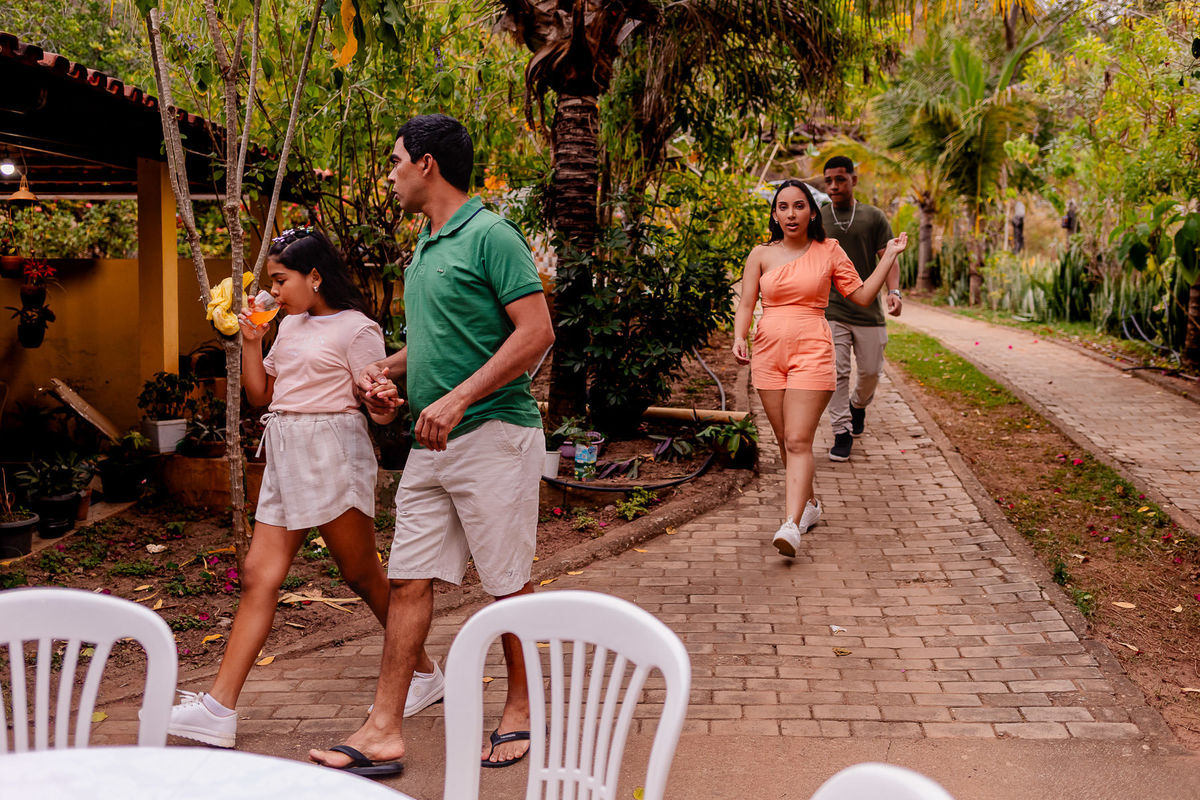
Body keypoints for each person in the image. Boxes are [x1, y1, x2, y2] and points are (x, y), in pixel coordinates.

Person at [309, 114, 555, 776]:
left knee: (507, 585)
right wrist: (385, 375)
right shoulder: (426, 246)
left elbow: (535, 332)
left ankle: (524, 710)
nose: (388, 175)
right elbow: (439, 343)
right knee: (410, 580)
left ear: (426, 165)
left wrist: (458, 397)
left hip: (494, 434)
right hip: (431, 443)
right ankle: (384, 728)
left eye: (395, 161)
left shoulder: (490, 235)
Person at [164, 229, 400, 749]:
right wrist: (252, 341)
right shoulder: (288, 326)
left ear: (315, 277)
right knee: (258, 574)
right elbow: (259, 395)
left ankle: (421, 669)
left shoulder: (359, 328)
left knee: (360, 574)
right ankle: (218, 708)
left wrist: (384, 403)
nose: (271, 291)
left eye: (279, 280)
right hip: (285, 449)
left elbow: (375, 397)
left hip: (333, 448)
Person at [733, 179, 907, 557]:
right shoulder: (760, 254)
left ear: (813, 212)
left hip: (812, 349)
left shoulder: (829, 250)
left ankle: (790, 524)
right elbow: (747, 302)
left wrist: (889, 256)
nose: (791, 214)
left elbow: (861, 295)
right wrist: (739, 336)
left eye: (799, 206)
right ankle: (809, 505)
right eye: (783, 207)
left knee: (798, 440)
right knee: (784, 441)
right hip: (768, 353)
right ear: (775, 214)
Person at [820, 156, 902, 462]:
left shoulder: (874, 216)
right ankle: (841, 430)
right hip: (832, 310)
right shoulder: (819, 218)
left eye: (840, 179)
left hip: (869, 311)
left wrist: (893, 292)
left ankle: (858, 406)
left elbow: (888, 256)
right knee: (837, 371)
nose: (833, 186)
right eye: (828, 180)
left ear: (854, 180)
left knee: (870, 372)